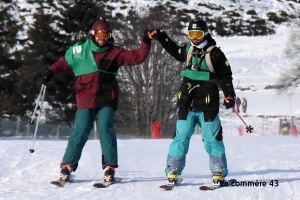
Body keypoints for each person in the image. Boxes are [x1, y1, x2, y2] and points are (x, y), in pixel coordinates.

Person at [42, 18, 153, 183]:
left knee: (105, 129)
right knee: (80, 130)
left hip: (107, 97)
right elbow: (63, 63)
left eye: (106, 34)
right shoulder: (80, 51)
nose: (102, 37)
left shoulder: (115, 53)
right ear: (93, 34)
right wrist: (50, 72)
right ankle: (67, 165)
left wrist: (146, 42)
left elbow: (137, 57)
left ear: (109, 36)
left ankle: (110, 167)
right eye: (100, 34)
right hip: (85, 96)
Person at [149, 19, 236, 187]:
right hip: (186, 102)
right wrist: (161, 37)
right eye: (191, 34)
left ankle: (218, 170)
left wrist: (229, 96)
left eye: (198, 34)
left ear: (206, 33)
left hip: (208, 103)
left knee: (211, 138)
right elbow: (174, 50)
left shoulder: (215, 53)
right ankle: (173, 169)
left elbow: (226, 76)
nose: (195, 38)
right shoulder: (188, 50)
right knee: (180, 137)